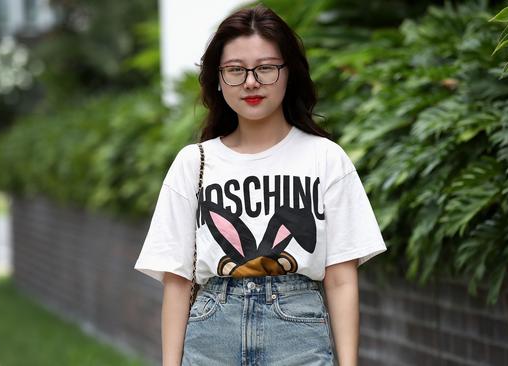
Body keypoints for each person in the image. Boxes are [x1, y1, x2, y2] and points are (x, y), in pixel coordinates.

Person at [134, 4, 387, 366]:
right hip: (211, 335)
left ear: (289, 73)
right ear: (218, 79)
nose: (251, 82)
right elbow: (177, 282)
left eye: (266, 68)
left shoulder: (326, 159)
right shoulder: (193, 164)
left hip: (298, 332)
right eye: (236, 70)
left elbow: (342, 279)